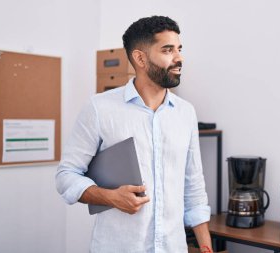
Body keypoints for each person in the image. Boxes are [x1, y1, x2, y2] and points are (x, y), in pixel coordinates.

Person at [56, 16, 212, 253]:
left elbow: (194, 189)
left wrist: (206, 247)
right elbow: (66, 175)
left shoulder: (186, 113)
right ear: (140, 58)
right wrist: (110, 197)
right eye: (168, 50)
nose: (179, 58)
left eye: (179, 49)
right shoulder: (100, 108)